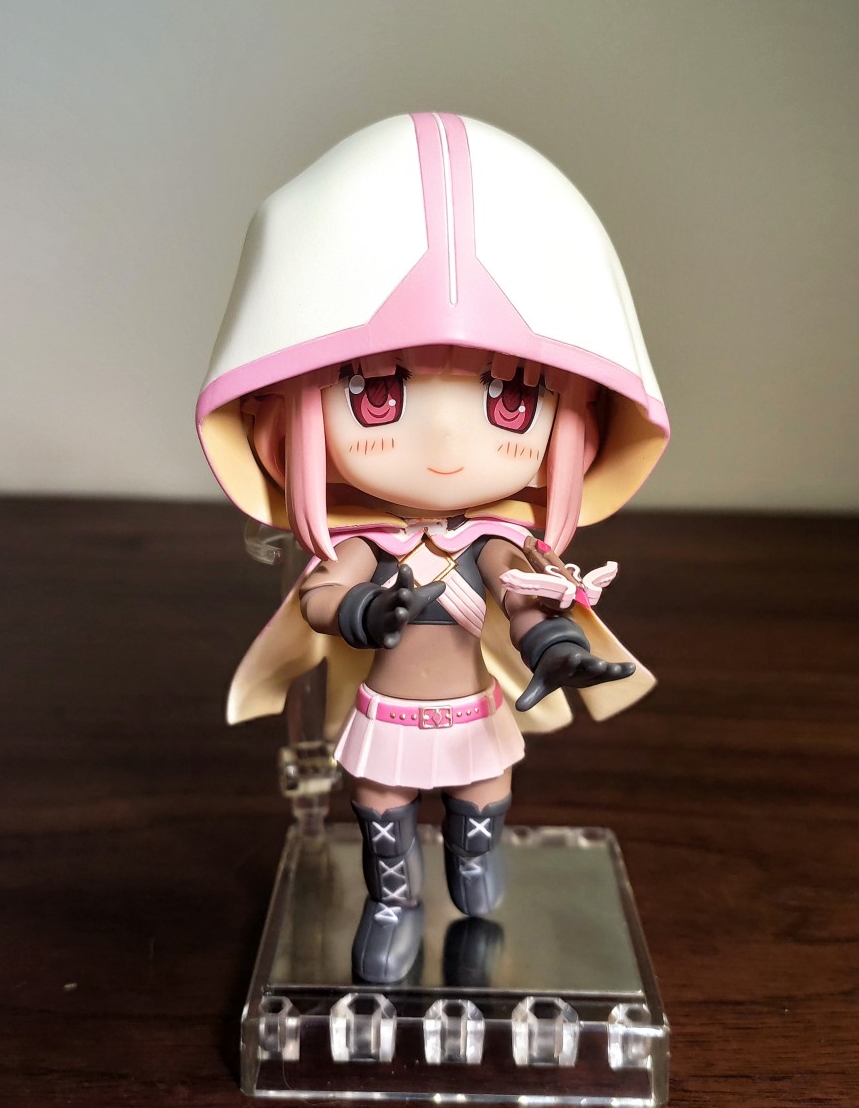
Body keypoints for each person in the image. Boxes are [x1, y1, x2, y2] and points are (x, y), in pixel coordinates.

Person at [196, 112, 668, 982]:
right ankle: (392, 900)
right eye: (378, 394)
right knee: (380, 802)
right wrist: (363, 610)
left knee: (483, 792)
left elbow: (518, 590)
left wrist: (552, 642)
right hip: (388, 709)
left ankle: (475, 859)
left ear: (578, 421)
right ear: (290, 411)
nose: (447, 442)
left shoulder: (492, 542)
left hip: (470, 710)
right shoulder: (369, 543)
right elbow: (320, 596)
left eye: (512, 403)